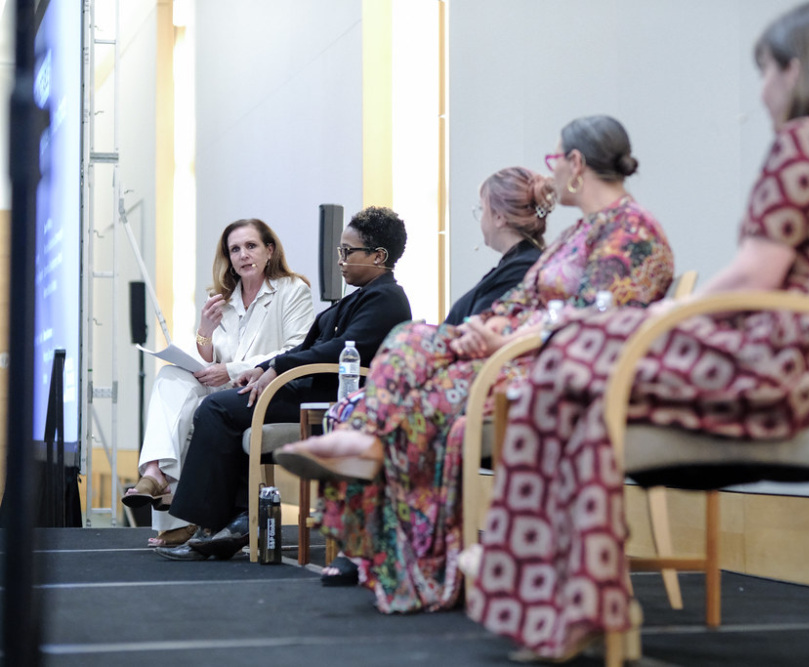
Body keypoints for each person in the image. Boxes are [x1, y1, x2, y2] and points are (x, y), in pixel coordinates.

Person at [465, 2, 809, 659]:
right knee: (574, 363)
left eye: (765, 73)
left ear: (796, 70)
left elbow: (758, 271)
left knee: (570, 350)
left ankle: (543, 580)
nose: (763, 90)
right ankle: (566, 586)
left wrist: (662, 316)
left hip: (771, 369)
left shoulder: (807, 142)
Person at [275, 118, 675, 614]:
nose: (549, 173)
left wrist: (500, 335)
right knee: (409, 339)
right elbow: (525, 302)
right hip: (515, 352)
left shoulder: (632, 233)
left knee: (419, 399)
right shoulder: (579, 234)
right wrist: (479, 329)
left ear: (576, 164)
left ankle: (373, 458)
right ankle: (365, 443)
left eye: (555, 160)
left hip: (553, 369)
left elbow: (595, 317)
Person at [155, 206, 412, 561]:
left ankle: (217, 525)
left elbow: (341, 351)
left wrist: (277, 367)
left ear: (379, 256)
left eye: (347, 252)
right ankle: (233, 520)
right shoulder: (358, 297)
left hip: (330, 400)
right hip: (308, 389)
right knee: (226, 403)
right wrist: (261, 369)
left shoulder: (386, 299)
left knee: (217, 407)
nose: (340, 260)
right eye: (339, 251)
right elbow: (310, 348)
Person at [121, 218, 314, 548]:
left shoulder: (292, 290)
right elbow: (208, 356)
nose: (242, 255)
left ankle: (176, 515)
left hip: (264, 388)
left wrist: (231, 368)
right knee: (170, 377)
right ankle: (154, 471)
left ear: (269, 251)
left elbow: (296, 350)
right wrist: (204, 331)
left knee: (198, 413)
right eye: (235, 249)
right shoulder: (223, 298)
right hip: (224, 386)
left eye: (251, 246)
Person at [443, 166, 546, 326]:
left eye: (482, 209)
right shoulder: (517, 264)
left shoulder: (522, 269)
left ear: (499, 217)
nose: (481, 219)